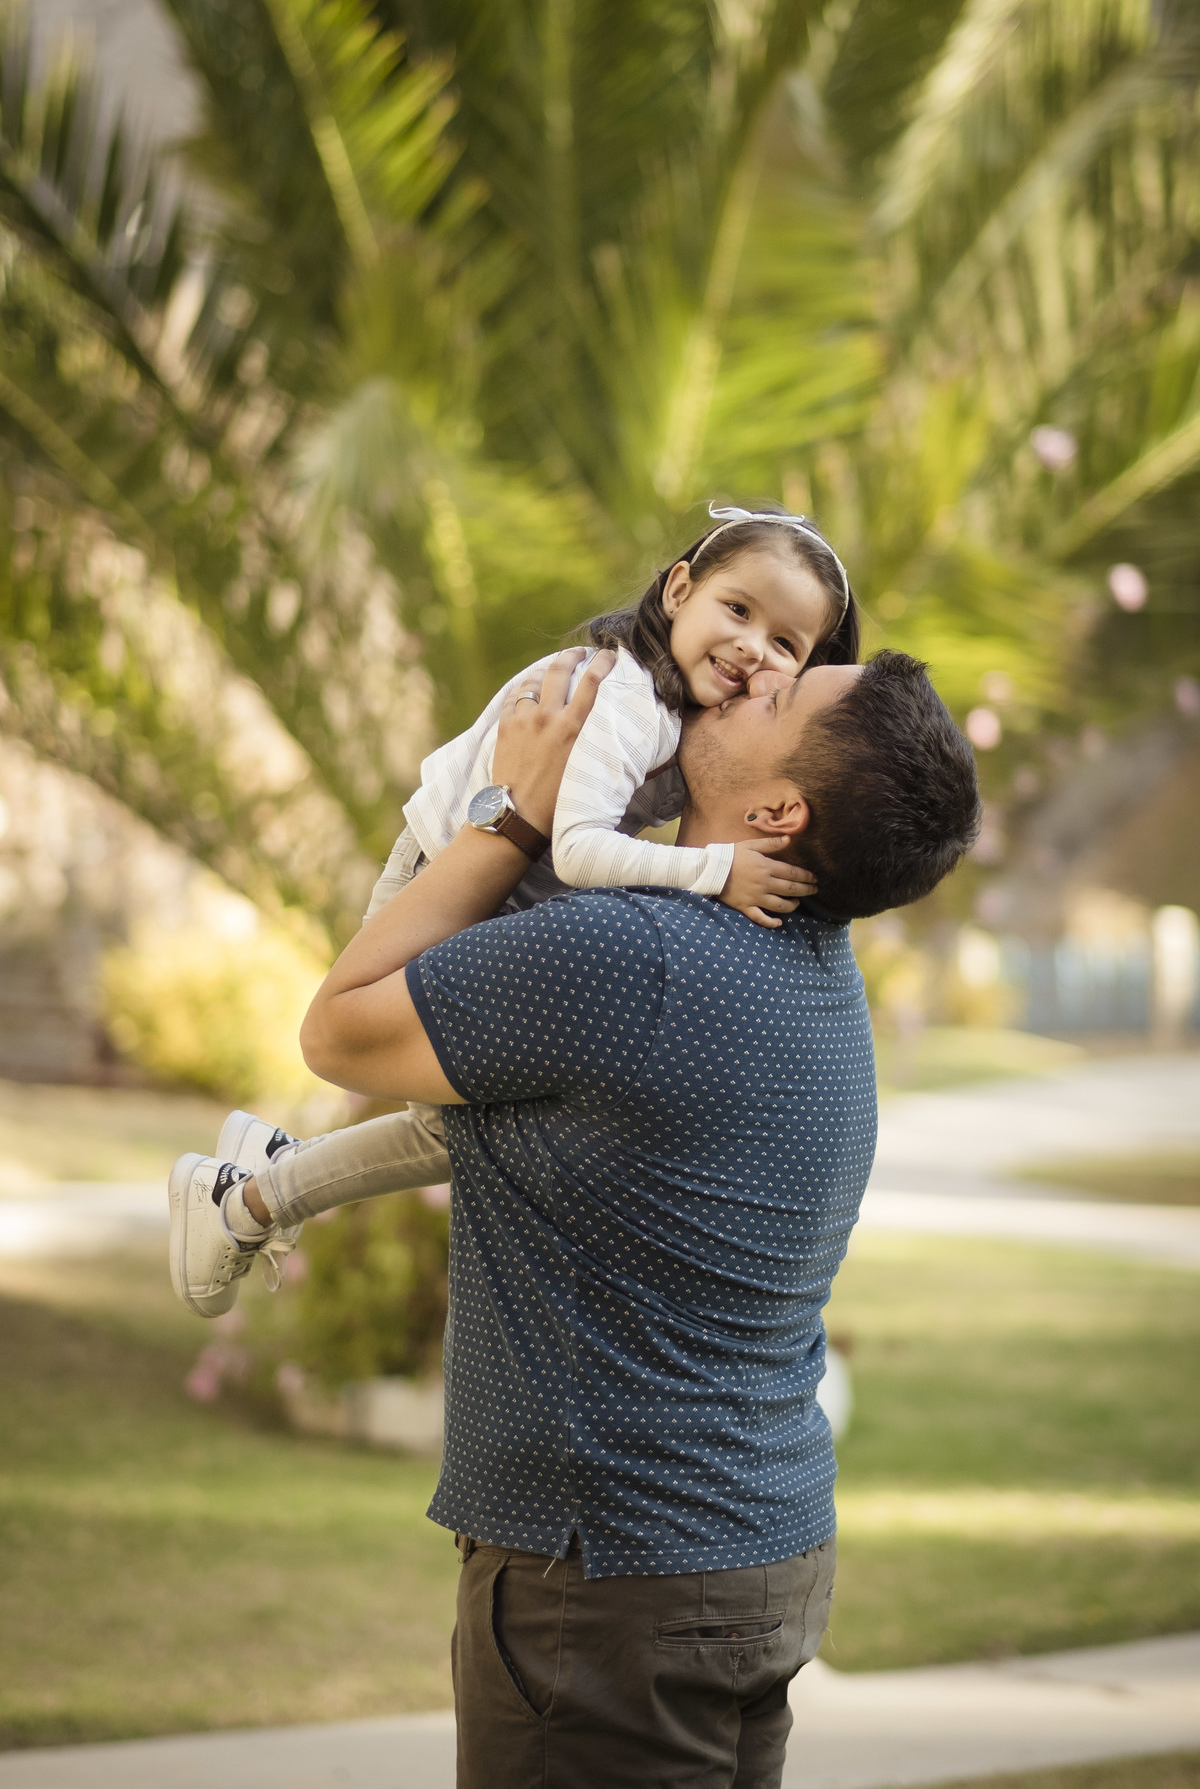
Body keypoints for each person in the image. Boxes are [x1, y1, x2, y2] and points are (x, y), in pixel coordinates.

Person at [216, 645, 979, 1788]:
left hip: (609, 1581)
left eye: (771, 696)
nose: (737, 674)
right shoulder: (818, 965)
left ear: (777, 811)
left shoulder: (635, 961)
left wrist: (514, 815)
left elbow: (337, 1034)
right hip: (751, 1554)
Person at [169, 505, 861, 1315]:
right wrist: (717, 870)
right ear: (679, 590)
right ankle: (249, 1195)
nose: (752, 648)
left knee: (466, 1131)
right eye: (738, 610)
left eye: (785, 644)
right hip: (447, 868)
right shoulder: (626, 699)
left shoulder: (690, 713)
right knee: (451, 1127)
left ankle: (257, 1182)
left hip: (516, 891)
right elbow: (576, 849)